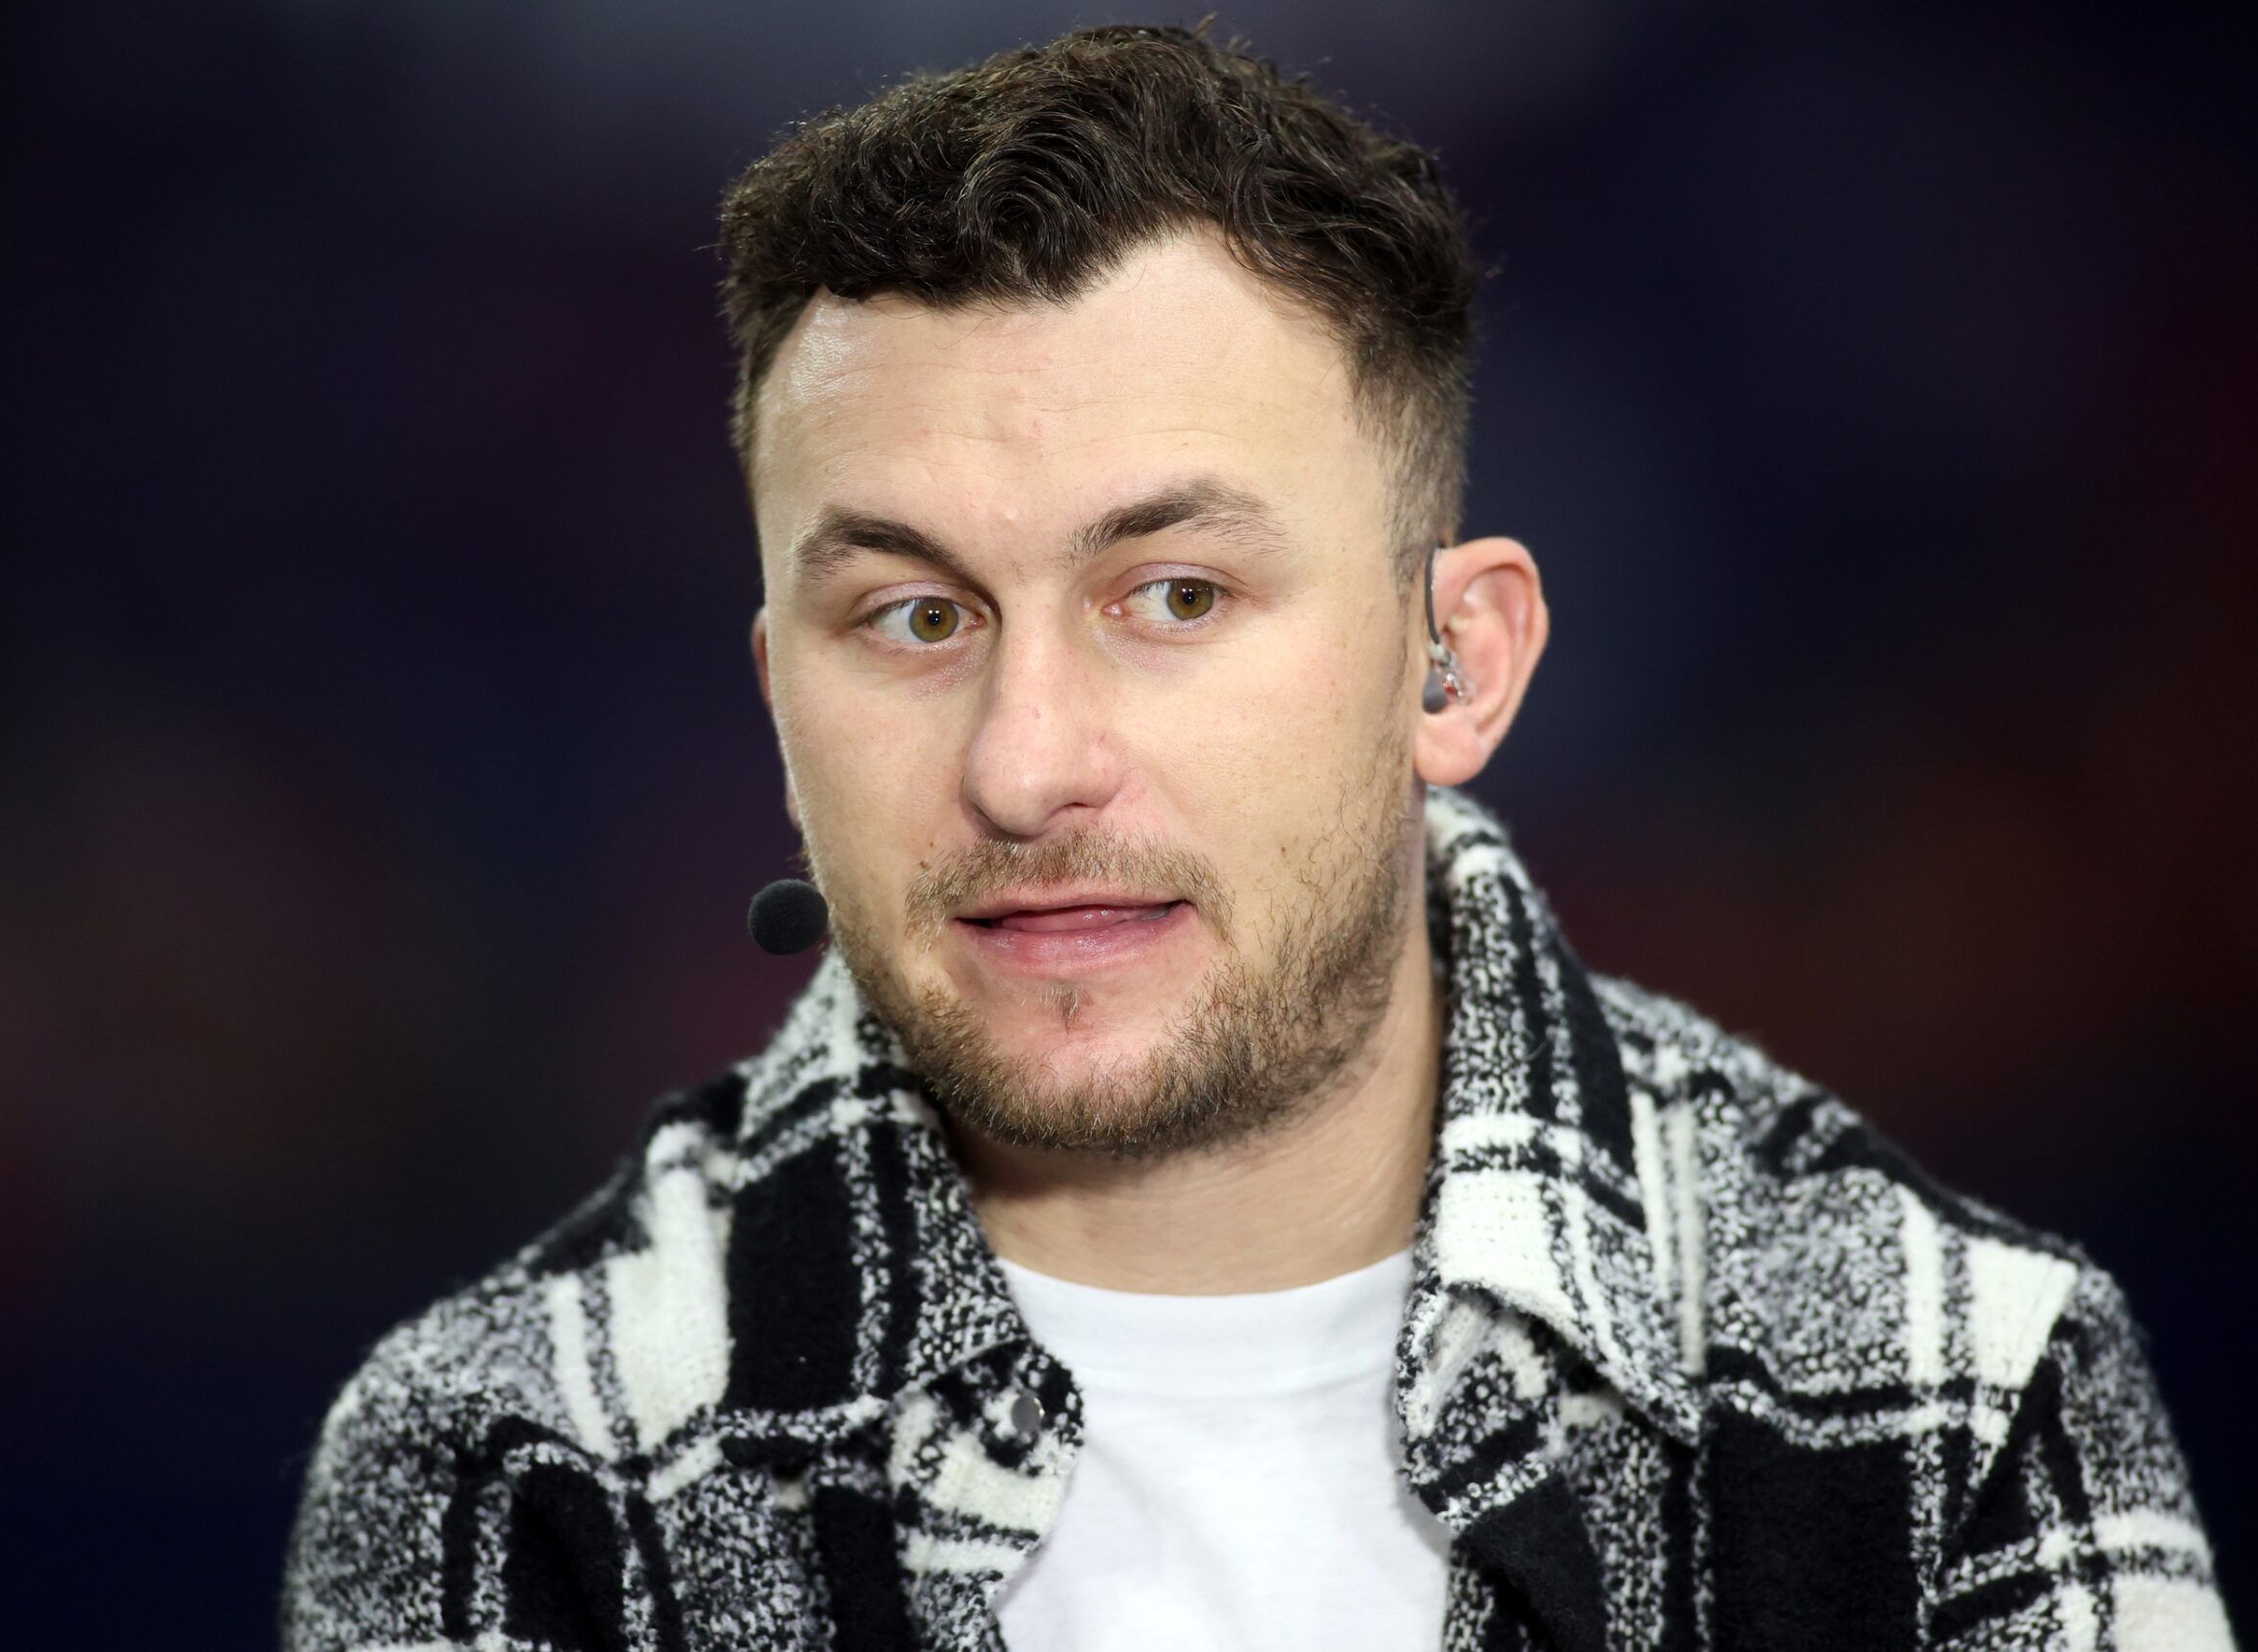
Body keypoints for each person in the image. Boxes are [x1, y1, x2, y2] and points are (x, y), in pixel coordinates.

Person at [280, 23, 2229, 1651]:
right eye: (912, 615)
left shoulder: (1952, 1393)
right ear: (774, 687)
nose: (1025, 762)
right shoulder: (508, 1459)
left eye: (1175, 596)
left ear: (1451, 661)